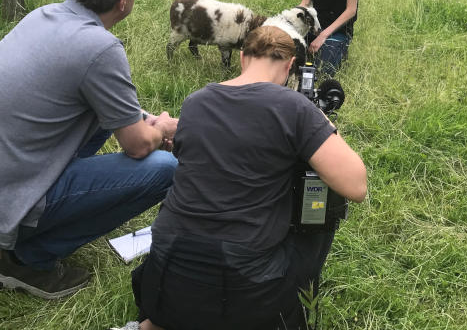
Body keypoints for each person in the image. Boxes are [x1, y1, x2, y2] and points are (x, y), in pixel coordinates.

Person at [0, 0, 179, 298]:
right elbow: (137, 145)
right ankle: (25, 261)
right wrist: (162, 129)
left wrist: (147, 121)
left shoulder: (42, 16)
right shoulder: (101, 48)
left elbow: (117, 110)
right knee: (165, 168)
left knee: (105, 118)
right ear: (124, 1)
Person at [123, 25, 367, 330]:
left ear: (242, 57)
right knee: (321, 204)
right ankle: (298, 301)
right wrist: (317, 116)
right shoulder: (295, 107)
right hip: (246, 295)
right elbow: (356, 185)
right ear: (290, 65)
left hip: (164, 280)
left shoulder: (196, 101)